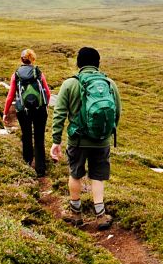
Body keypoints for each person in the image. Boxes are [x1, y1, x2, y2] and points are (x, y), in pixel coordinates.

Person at [50, 47, 121, 230]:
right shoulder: (109, 83)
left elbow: (59, 114)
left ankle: (76, 214)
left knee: (75, 173)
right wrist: (106, 132)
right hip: (101, 140)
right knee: (98, 176)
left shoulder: (69, 84)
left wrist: (56, 140)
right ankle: (101, 215)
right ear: (98, 63)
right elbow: (117, 112)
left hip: (78, 140)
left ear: (78, 63)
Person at [3, 48, 52, 177]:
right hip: (40, 110)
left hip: (23, 110)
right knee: (39, 137)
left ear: (21, 60)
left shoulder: (16, 74)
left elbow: (10, 96)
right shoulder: (38, 73)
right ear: (33, 59)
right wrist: (44, 105)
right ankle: (41, 170)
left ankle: (27, 163)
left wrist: (5, 112)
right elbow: (47, 92)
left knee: (26, 136)